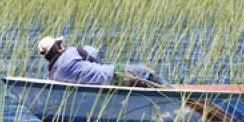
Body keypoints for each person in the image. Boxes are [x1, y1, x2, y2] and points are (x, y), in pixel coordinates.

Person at [37, 35, 168, 87]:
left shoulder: (53, 76)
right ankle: (173, 93)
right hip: (114, 74)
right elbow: (98, 62)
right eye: (59, 44)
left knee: (141, 84)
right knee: (146, 72)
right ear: (58, 49)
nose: (63, 45)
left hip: (102, 85)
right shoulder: (73, 51)